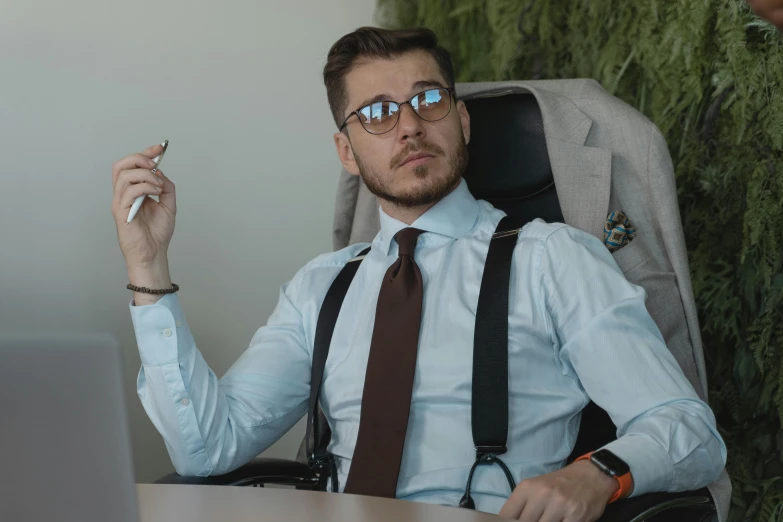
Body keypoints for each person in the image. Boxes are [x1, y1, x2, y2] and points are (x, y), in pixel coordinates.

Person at [110, 27, 726, 522]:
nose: (409, 126)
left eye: (427, 100)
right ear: (347, 152)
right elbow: (207, 448)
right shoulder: (321, 287)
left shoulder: (553, 259)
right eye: (377, 113)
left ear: (460, 121)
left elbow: (688, 430)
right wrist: (148, 265)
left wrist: (598, 473)